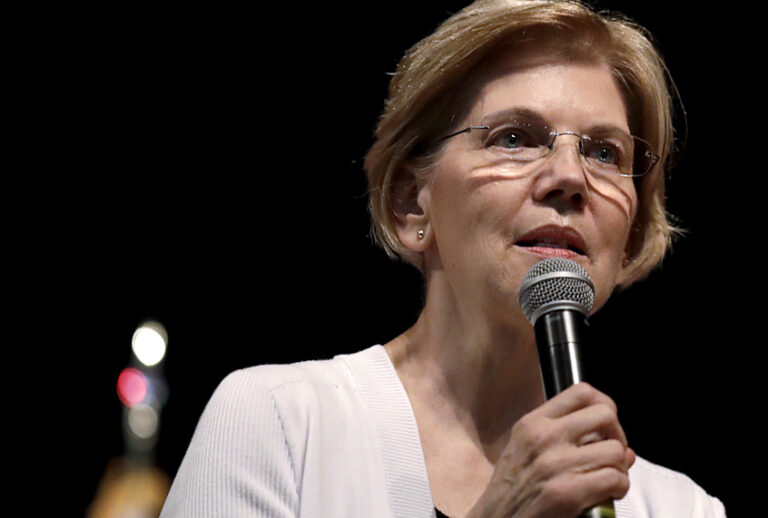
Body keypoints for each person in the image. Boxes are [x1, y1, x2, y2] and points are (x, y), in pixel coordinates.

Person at [160, 1, 726, 516]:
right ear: (411, 203)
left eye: (605, 152)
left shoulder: (681, 509)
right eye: (515, 138)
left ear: (628, 233)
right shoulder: (280, 424)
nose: (570, 178)